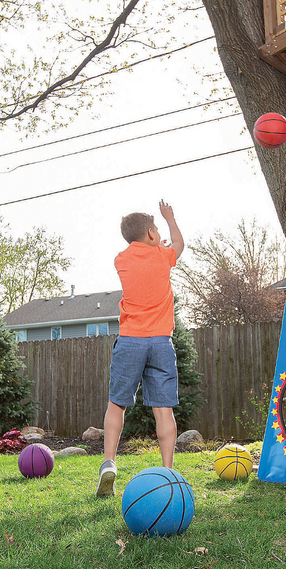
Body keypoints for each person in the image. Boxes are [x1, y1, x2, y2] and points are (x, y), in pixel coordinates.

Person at [96, 200, 184, 497]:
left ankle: (109, 462)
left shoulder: (121, 259)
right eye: (156, 229)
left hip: (131, 340)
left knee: (117, 404)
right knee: (163, 409)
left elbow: (151, 248)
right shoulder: (163, 256)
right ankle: (168, 471)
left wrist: (158, 237)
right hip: (161, 342)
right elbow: (179, 244)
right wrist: (170, 219)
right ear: (150, 233)